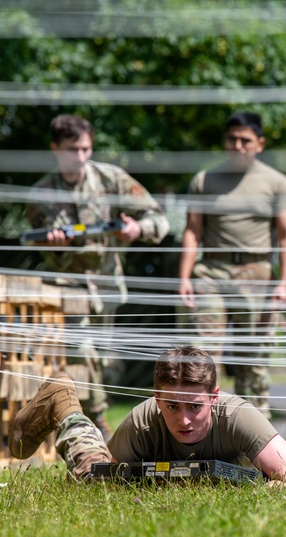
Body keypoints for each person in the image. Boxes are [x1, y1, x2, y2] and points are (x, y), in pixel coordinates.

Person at [25, 113, 170, 438]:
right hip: (66, 286)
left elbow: (158, 218)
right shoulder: (42, 194)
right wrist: (55, 243)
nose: (80, 156)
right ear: (55, 148)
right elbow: (38, 245)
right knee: (82, 350)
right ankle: (96, 421)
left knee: (103, 360)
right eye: (72, 149)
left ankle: (88, 413)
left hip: (106, 286)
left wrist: (137, 229)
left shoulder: (111, 179)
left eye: (85, 149)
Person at [8, 344, 286, 484]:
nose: (183, 420)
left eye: (195, 406)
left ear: (214, 397)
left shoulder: (238, 416)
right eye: (172, 407)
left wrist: (255, 491)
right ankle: (62, 404)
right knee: (90, 478)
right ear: (157, 400)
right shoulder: (142, 422)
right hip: (123, 455)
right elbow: (104, 478)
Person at [179, 111, 286, 418]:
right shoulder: (205, 180)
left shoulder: (276, 183)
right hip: (211, 272)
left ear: (259, 143)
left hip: (256, 274)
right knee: (202, 355)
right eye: (232, 139)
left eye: (245, 140)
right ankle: (204, 423)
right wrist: (185, 277)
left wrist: (283, 283)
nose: (238, 146)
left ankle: (254, 428)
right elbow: (193, 230)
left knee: (253, 356)